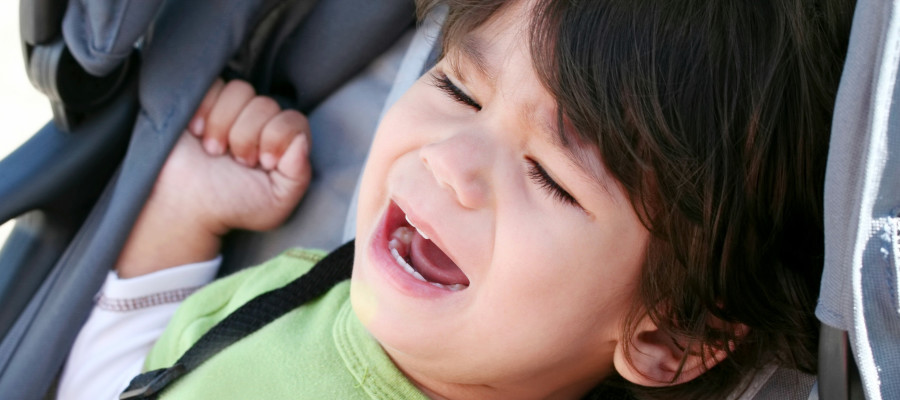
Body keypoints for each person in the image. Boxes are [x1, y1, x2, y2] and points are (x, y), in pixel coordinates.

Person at [58, 0, 855, 399]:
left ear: (669, 337)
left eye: (550, 175)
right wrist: (179, 218)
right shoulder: (295, 293)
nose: (451, 162)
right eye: (457, 91)